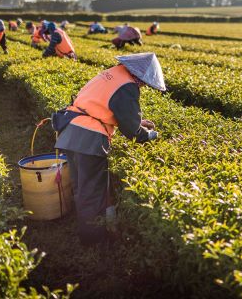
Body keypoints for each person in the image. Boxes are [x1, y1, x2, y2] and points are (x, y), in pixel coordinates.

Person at [54, 53, 165, 245]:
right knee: (92, 193)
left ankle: (83, 226)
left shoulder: (112, 74)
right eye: (145, 83)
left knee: (80, 186)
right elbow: (132, 131)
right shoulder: (128, 86)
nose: (144, 86)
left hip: (70, 131)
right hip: (89, 138)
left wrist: (138, 122)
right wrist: (149, 135)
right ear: (140, 76)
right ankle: (92, 241)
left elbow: (105, 107)